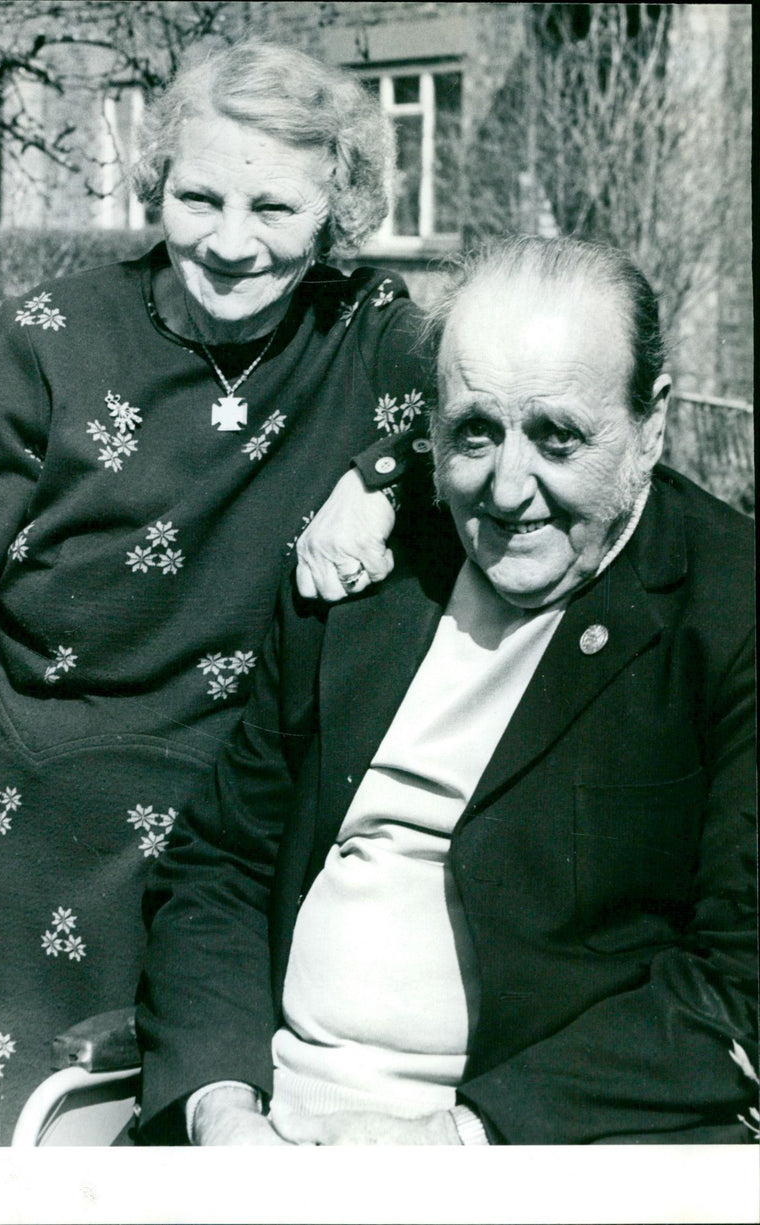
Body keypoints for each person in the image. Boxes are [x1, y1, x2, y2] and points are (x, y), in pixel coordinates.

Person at [137, 236, 756, 1146]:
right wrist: (219, 1103)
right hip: (266, 1132)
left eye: (558, 437)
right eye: (474, 431)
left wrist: (458, 1138)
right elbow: (223, 862)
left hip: (541, 1153)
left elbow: (739, 984)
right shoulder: (367, 562)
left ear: (651, 422)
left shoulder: (729, 611)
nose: (508, 488)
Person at [0, 38, 433, 1144]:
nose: (229, 241)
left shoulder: (370, 333)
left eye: (274, 207)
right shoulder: (52, 340)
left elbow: (512, 435)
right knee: (20, 1149)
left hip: (250, 841)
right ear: (155, 183)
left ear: (335, 212)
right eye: (199, 197)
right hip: (46, 828)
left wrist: (384, 480)